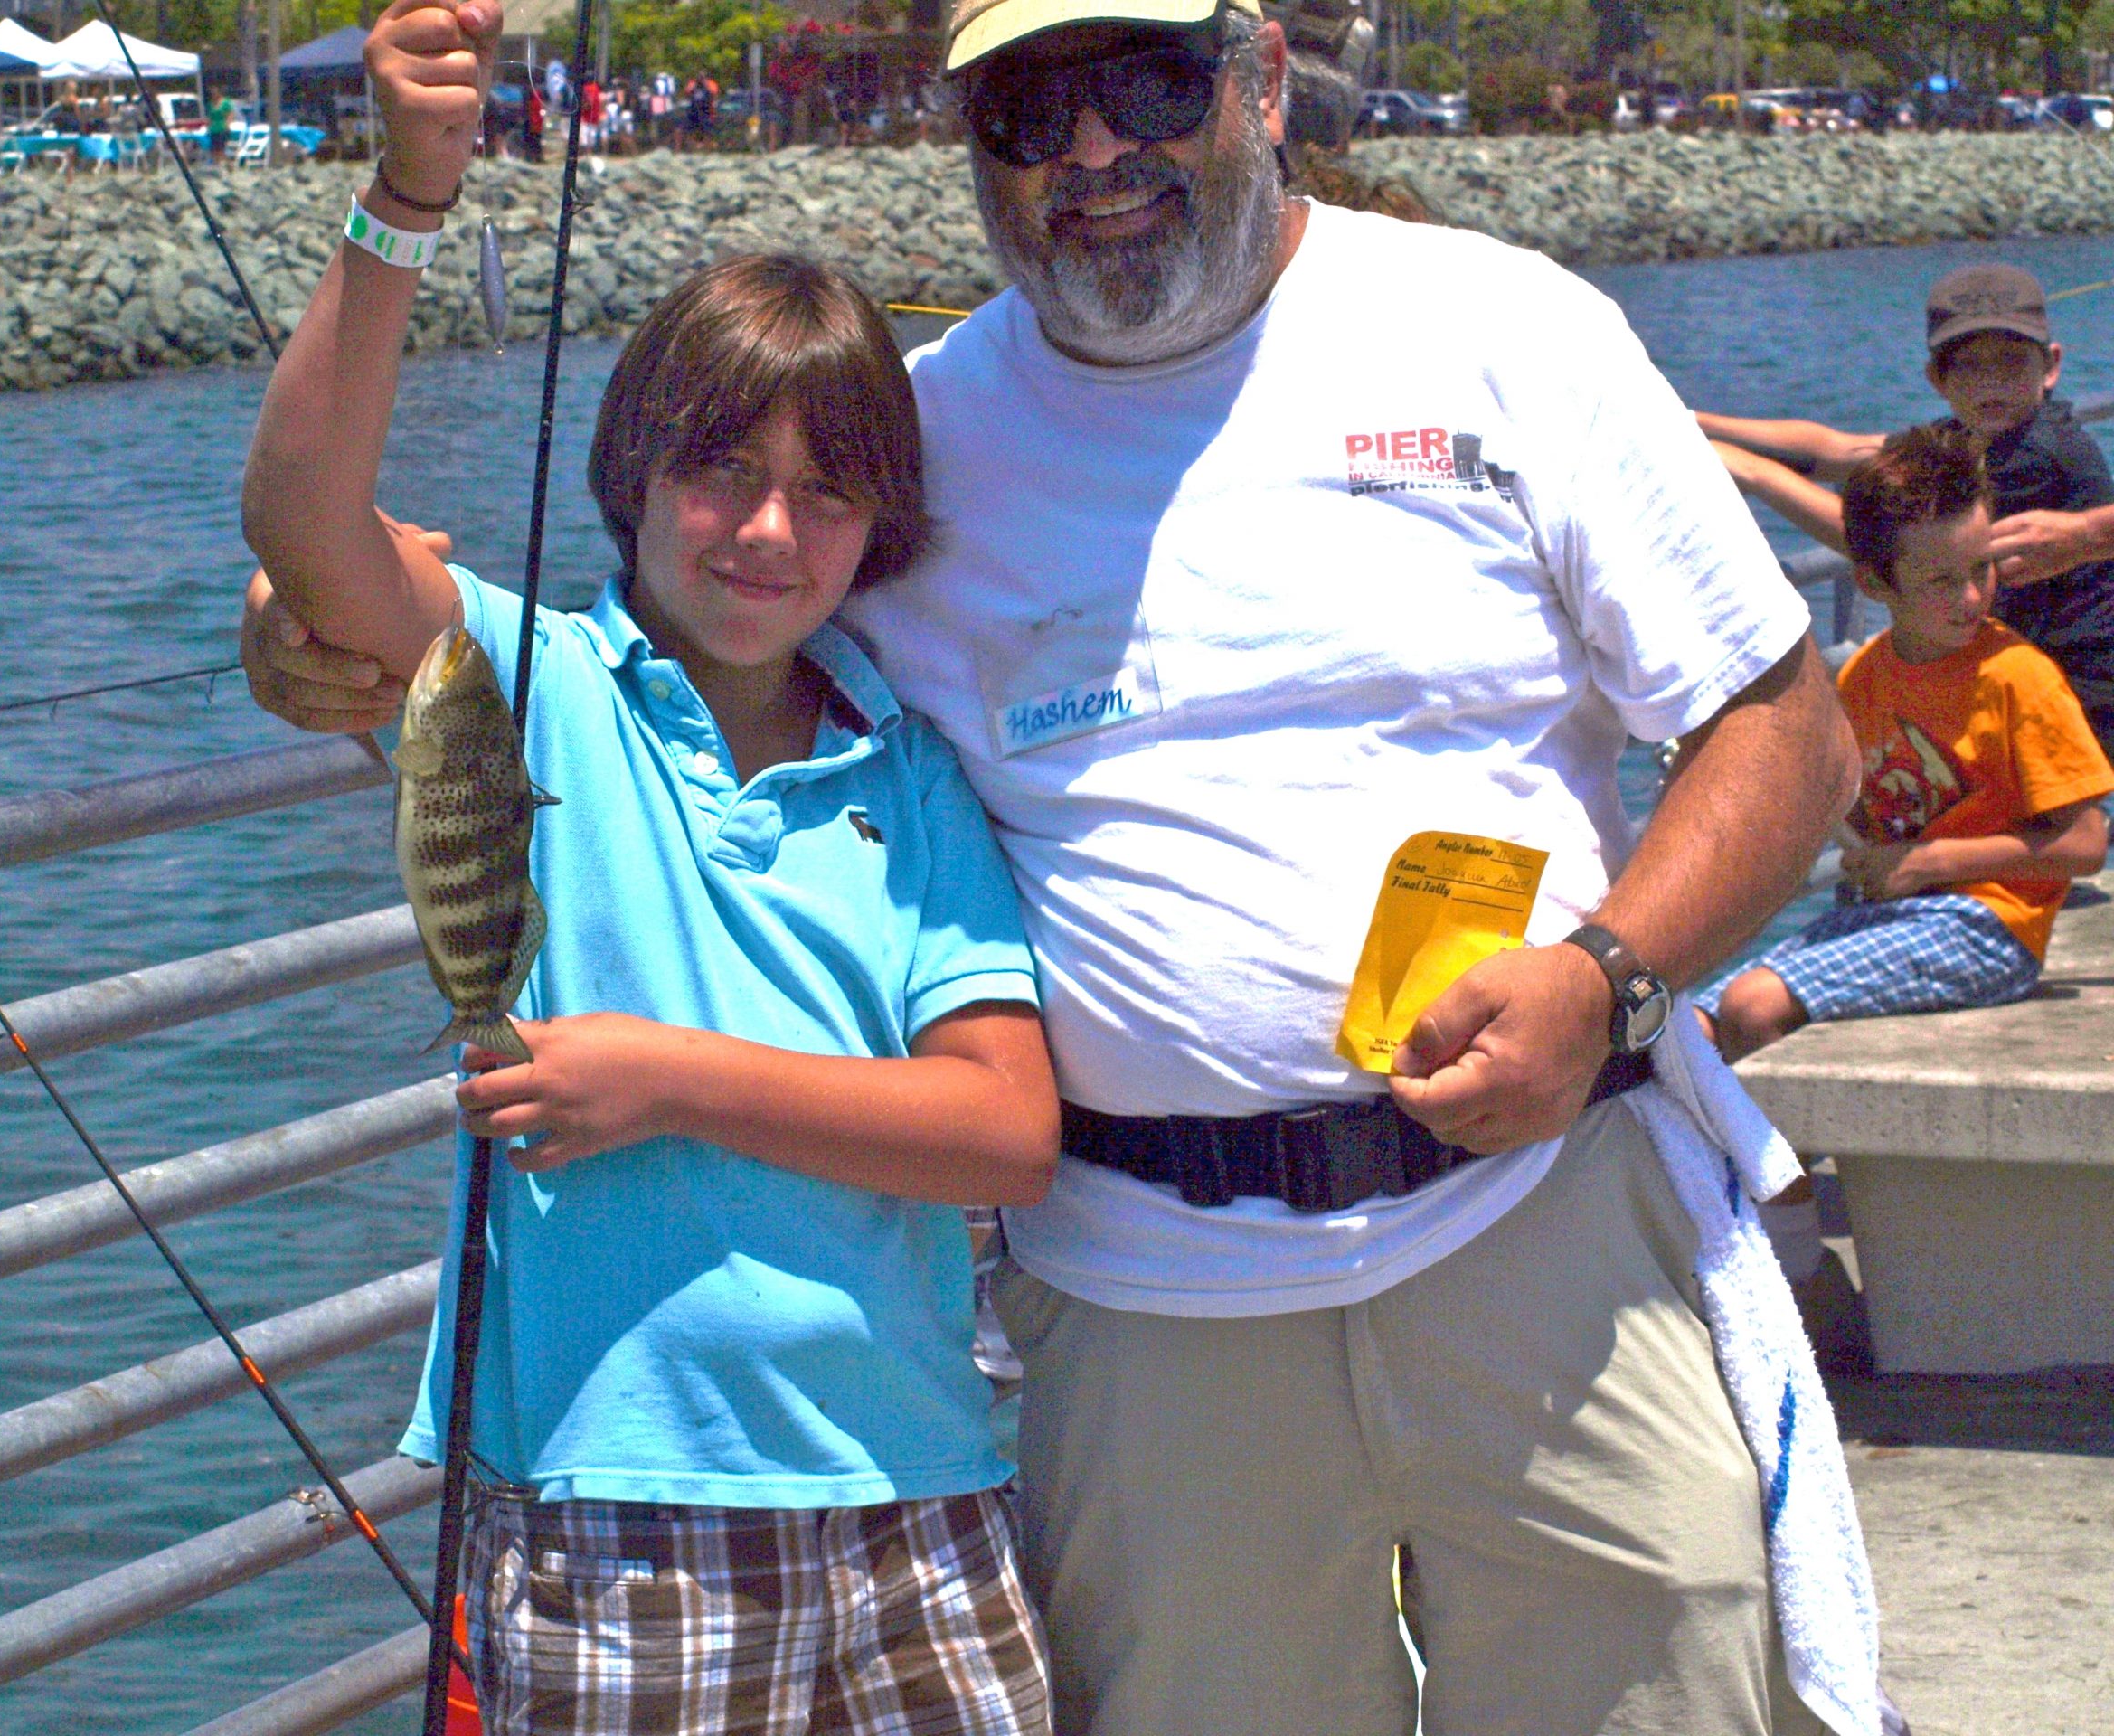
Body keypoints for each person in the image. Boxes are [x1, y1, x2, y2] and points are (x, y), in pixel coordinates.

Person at [242, 0, 1876, 1728]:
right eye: (1028, 106)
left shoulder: (1505, 328)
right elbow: (596, 603)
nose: (1092, 151)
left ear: (1254, 84)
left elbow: (1790, 734)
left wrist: (1605, 978)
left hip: (1549, 1220)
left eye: (1144, 84)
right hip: (1147, 1304)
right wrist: (317, 631)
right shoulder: (914, 445)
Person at [241, 9, 1062, 1731]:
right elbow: (310, 523)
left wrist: (662, 1081)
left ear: (882, 531)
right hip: (620, 1512)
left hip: (925, 1487)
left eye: (825, 496)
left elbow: (1003, 1127)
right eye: (719, 473)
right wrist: (407, 195)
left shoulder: (906, 775)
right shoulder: (521, 683)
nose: (767, 532)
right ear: (632, 473)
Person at [1702, 426, 2112, 1062]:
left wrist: (1932, 862)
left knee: (1753, 1007)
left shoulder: (2016, 675)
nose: (1971, 597)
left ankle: (1794, 1168)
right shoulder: (1865, 674)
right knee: (1691, 1028)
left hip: (1989, 927)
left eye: (1982, 569)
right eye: (1940, 581)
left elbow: (2086, 843)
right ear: (1874, 585)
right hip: (1893, 916)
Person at [1703, 264, 2114, 754]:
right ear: (1936, 379)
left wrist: (1754, 474)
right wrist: (1692, 422)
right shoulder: (1977, 436)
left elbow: (1892, 541)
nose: (1991, 383)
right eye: (1969, 366)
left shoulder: (2039, 453)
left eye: (2011, 362)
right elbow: (1843, 452)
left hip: (2078, 691)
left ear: (2049, 367)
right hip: (2021, 674)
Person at [206, 90, 233, 162]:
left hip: (222, 128)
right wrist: (208, 127)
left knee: (221, 150)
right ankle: (217, 164)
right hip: (213, 129)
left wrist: (227, 125)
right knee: (213, 150)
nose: (213, 94)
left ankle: (227, 165)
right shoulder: (210, 104)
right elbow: (210, 117)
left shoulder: (225, 103)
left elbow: (230, 115)